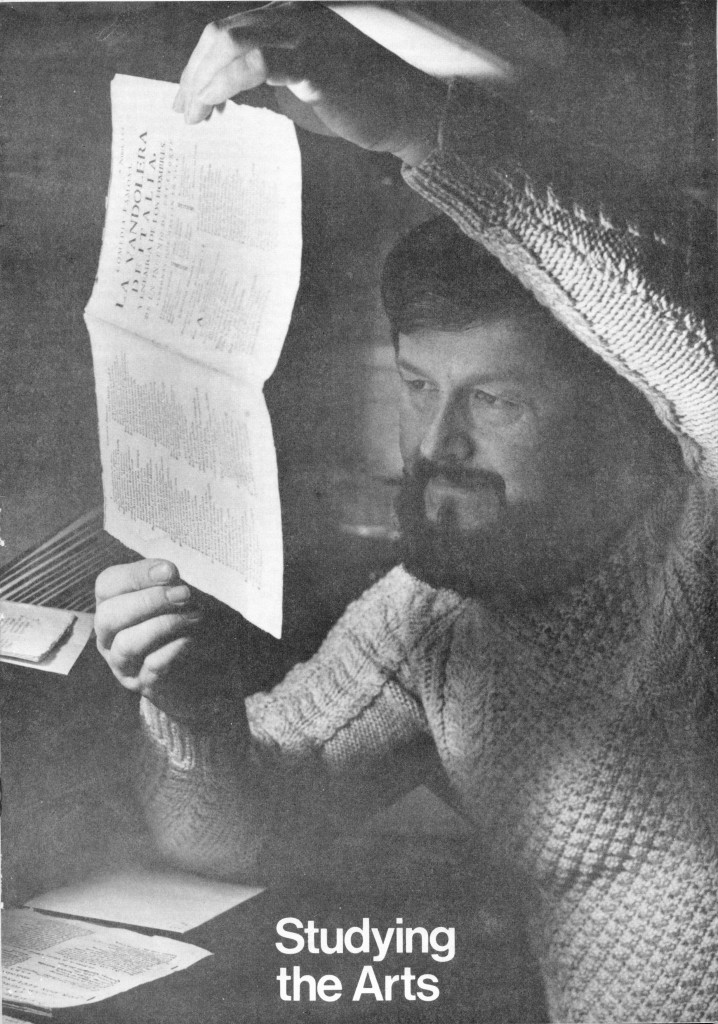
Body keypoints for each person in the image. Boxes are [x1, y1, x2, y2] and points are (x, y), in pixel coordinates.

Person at [94, 6, 718, 1020]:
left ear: (620, 406)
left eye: (495, 400)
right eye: (419, 386)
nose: (438, 443)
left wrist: (416, 126)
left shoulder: (696, 539)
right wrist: (190, 706)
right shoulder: (431, 614)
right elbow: (236, 835)